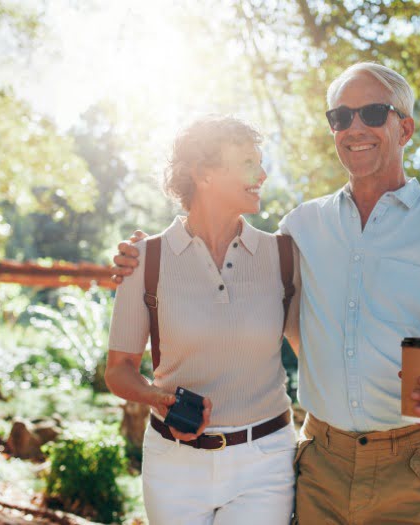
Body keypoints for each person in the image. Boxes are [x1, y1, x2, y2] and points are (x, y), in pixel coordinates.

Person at [112, 63, 420, 525]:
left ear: (404, 128)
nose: (354, 128)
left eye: (372, 113)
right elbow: (220, 256)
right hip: (322, 462)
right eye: (341, 118)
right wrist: (141, 257)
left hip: (416, 466)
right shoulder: (300, 229)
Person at [104, 115, 301, 525]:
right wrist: (160, 398)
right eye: (248, 162)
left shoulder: (283, 257)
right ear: (204, 172)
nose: (262, 174)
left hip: (265, 462)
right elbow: (119, 371)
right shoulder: (144, 261)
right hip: (173, 465)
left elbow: (314, 352)